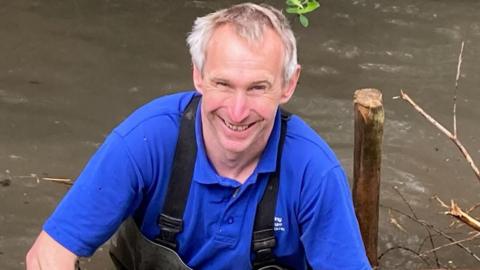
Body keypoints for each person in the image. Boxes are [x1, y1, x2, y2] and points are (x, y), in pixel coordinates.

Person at [26, 3, 371, 270]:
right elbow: (47, 254)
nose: (237, 112)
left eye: (257, 88)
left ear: (288, 85)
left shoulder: (314, 173)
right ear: (199, 76)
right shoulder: (146, 140)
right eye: (223, 84)